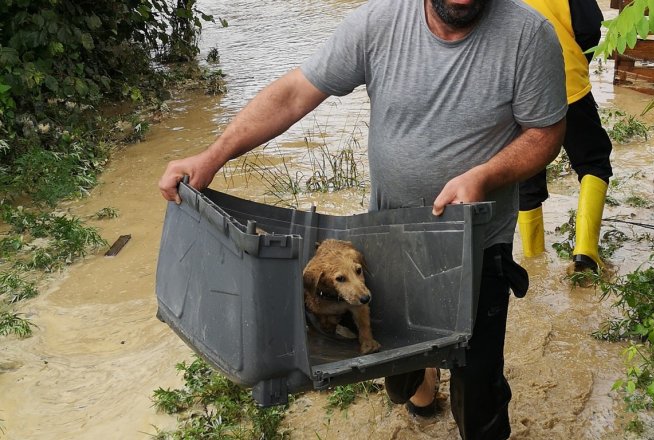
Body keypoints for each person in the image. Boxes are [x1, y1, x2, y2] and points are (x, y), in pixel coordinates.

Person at [157, 0, 567, 438]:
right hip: (390, 237)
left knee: (479, 382)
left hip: (478, 241)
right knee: (400, 370)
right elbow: (295, 93)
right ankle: (424, 398)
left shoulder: (529, 35)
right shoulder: (379, 23)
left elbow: (545, 132)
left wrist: (486, 176)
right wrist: (213, 155)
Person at [516, 0, 613, 274]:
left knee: (526, 168)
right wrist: (575, 59)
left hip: (516, 87)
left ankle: (533, 261)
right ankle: (586, 253)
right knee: (593, 159)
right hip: (565, 75)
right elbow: (591, 26)